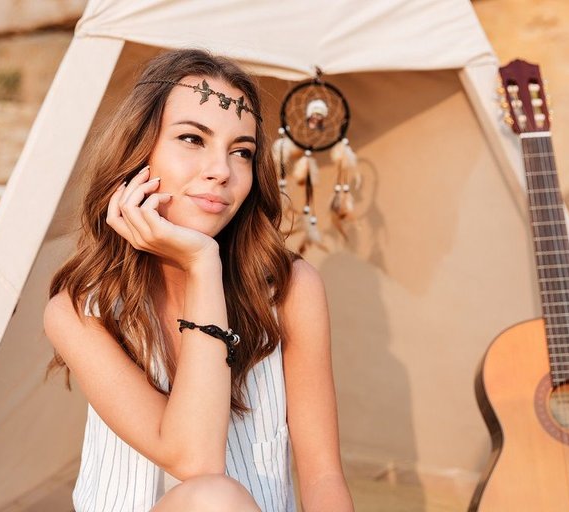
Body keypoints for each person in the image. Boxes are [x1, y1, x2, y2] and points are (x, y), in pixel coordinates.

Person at [43, 48, 353, 512]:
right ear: (138, 151)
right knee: (213, 498)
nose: (221, 171)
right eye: (192, 139)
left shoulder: (289, 289)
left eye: (242, 152)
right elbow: (195, 460)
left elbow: (323, 475)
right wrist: (203, 263)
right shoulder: (81, 310)